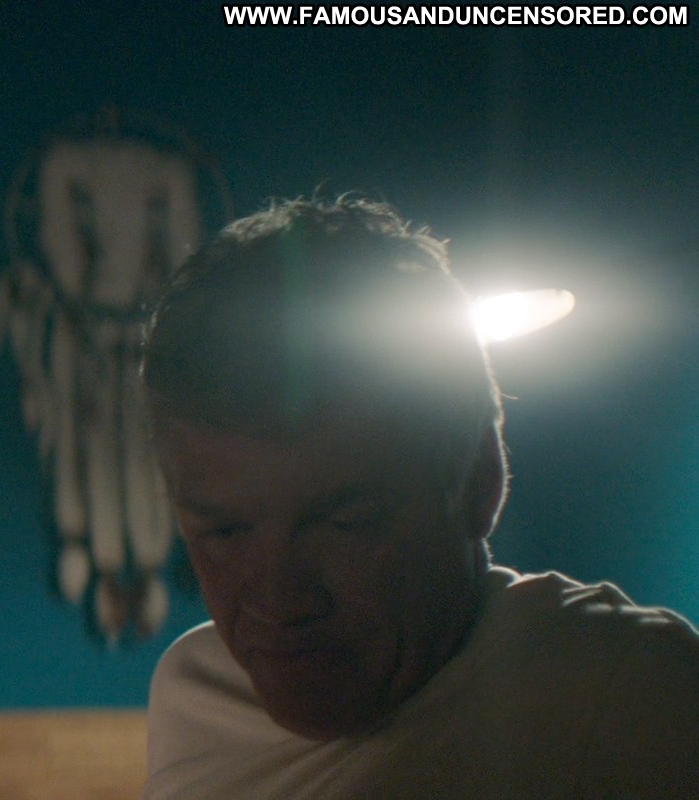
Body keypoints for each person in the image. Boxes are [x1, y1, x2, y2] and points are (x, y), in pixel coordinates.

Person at [139, 197, 699, 798]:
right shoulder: (195, 693)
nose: (280, 601)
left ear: (479, 482)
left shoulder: (630, 693)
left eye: (344, 523)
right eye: (224, 532)